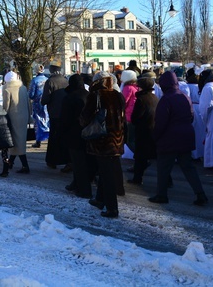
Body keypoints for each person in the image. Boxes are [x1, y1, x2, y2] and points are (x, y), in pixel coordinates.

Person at [148, 71, 208, 206]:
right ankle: (200, 194)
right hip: (186, 135)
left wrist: (155, 137)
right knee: (188, 167)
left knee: (163, 167)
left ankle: (161, 194)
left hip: (169, 137)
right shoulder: (185, 96)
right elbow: (191, 116)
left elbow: (161, 122)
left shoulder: (166, 99)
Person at [80, 71, 125, 218]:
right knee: (105, 169)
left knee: (107, 175)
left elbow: (85, 117)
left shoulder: (96, 95)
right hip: (116, 139)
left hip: (102, 140)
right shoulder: (118, 95)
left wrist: (83, 122)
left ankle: (112, 208)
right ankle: (100, 199)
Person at [62, 73, 93, 197]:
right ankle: (76, 183)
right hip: (89, 132)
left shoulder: (69, 97)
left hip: (74, 133)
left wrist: (63, 133)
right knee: (86, 160)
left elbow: (65, 119)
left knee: (78, 162)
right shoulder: (89, 95)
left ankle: (84, 190)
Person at [129, 74, 158, 185]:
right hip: (153, 129)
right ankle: (167, 179)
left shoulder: (141, 99)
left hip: (143, 131)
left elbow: (135, 117)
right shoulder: (154, 97)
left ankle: (137, 178)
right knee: (155, 156)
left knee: (140, 156)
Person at [42, 62, 70, 170]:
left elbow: (45, 99)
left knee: (54, 138)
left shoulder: (50, 81)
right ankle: (68, 161)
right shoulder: (66, 81)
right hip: (66, 113)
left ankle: (52, 161)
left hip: (54, 113)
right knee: (65, 137)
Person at [2, 71, 31, 174]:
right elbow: (28, 103)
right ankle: (11, 161)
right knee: (18, 140)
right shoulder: (22, 88)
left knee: (16, 141)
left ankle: (25, 165)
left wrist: (3, 117)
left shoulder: (7, 89)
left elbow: (6, 106)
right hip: (24, 116)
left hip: (13, 117)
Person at [28, 66, 49, 148]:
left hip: (37, 104)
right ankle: (48, 139)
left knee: (38, 122)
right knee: (47, 120)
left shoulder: (34, 81)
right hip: (46, 104)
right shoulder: (47, 80)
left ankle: (38, 141)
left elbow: (31, 95)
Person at [187, 68, 205, 161]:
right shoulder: (200, 86)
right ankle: (200, 153)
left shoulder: (187, 86)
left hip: (191, 108)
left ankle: (193, 153)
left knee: (192, 132)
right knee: (200, 132)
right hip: (200, 109)